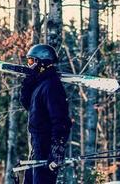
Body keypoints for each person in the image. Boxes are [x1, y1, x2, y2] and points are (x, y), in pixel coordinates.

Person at [20, 44, 72, 184]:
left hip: (47, 147)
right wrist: (28, 83)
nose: (29, 65)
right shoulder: (40, 85)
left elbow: (60, 120)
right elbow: (29, 106)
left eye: (31, 61)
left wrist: (56, 151)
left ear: (42, 62)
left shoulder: (52, 86)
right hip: (37, 146)